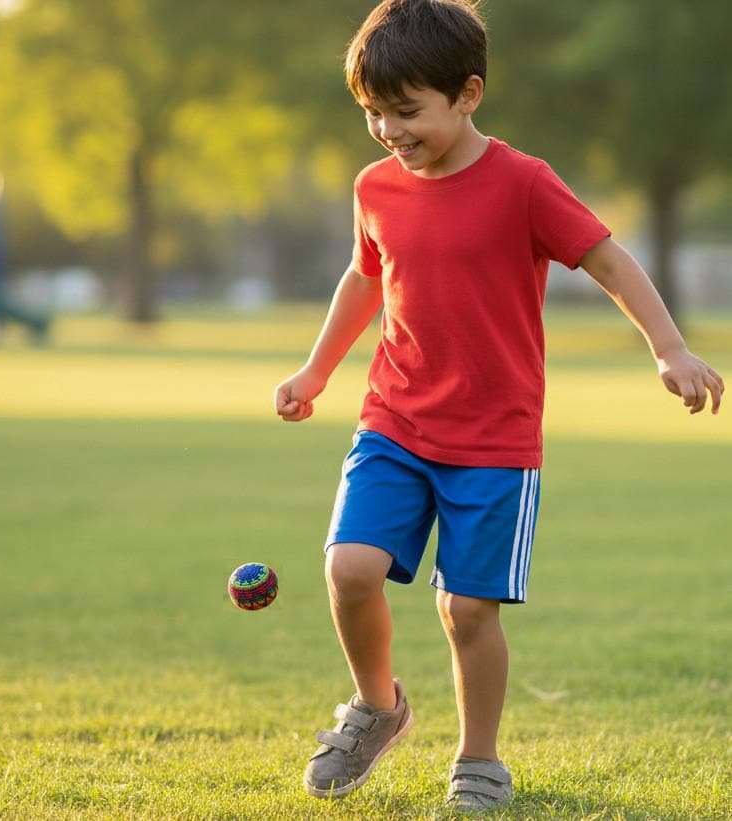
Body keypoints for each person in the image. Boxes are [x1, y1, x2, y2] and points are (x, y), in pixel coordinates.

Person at [273, 0, 724, 812]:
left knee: (466, 608)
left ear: (467, 94)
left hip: (493, 441)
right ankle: (376, 707)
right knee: (348, 568)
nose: (386, 131)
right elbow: (363, 278)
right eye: (372, 112)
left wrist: (668, 347)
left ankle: (478, 759)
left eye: (405, 111)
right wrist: (314, 372)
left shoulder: (522, 183)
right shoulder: (374, 186)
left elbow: (610, 261)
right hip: (394, 421)